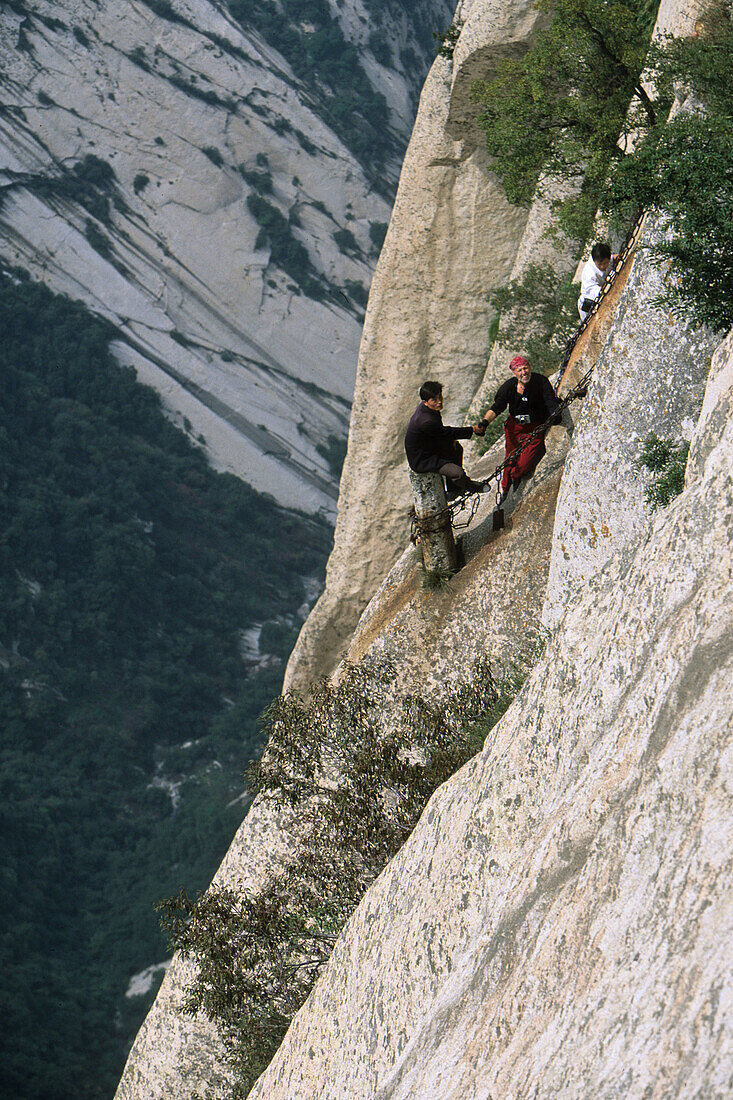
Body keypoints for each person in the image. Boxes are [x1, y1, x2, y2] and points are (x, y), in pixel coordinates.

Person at [477, 356, 562, 498]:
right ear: (514, 373)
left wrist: (555, 414)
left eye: (525, 368)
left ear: (530, 367)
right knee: (510, 457)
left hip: (534, 427)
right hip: (514, 427)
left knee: (525, 463)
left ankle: (515, 475)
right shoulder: (509, 387)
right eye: (519, 370)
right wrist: (484, 422)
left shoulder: (540, 382)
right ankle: (505, 489)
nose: (524, 372)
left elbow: (550, 400)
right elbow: (498, 407)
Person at [405, 381, 490, 498]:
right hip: (423, 459)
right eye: (434, 400)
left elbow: (440, 434)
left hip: (430, 447)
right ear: (425, 402)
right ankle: (469, 486)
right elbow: (446, 432)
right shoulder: (426, 421)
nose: (439, 401)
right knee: (458, 473)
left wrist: (450, 441)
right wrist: (472, 429)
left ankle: (453, 490)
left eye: (440, 397)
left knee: (457, 448)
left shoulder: (428, 410)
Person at [578, 242, 615, 320]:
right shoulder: (590, 275)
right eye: (599, 264)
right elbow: (601, 292)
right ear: (594, 261)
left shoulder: (602, 257)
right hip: (588, 305)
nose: (602, 266)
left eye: (605, 263)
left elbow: (613, 258)